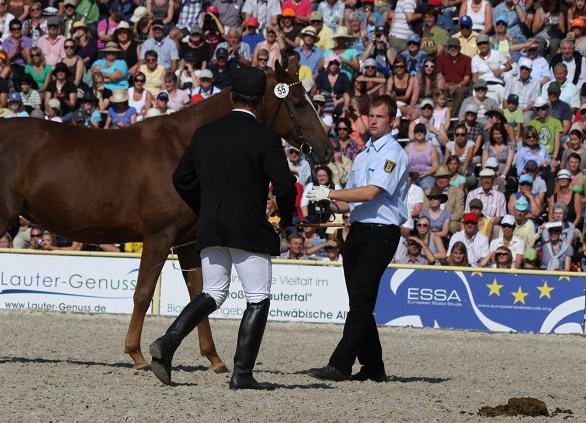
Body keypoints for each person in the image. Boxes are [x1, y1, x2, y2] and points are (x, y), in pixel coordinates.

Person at [149, 67, 297, 391]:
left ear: (231, 97)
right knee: (258, 296)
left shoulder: (205, 134)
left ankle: (168, 343)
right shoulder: (266, 138)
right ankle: (242, 373)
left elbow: (181, 179)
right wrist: (286, 219)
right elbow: (285, 186)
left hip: (211, 224)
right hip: (248, 225)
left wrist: (206, 206)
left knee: (213, 293)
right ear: (259, 102)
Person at [306, 94, 408, 383]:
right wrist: (325, 202)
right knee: (359, 302)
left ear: (392, 121)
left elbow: (371, 193)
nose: (373, 120)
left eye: (380, 116)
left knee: (361, 300)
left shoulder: (393, 153)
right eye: (371, 115)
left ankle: (340, 364)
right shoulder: (362, 155)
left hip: (382, 234)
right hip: (358, 230)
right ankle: (374, 366)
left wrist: (331, 193)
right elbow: (350, 202)